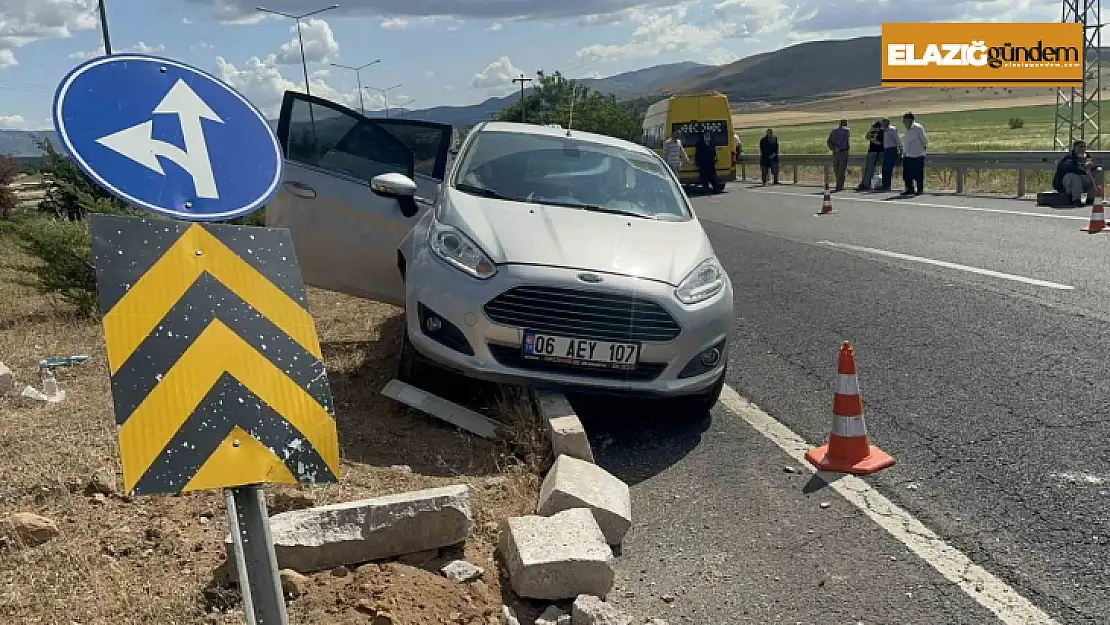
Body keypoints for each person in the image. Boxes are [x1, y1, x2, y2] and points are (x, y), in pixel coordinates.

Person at [1053, 139, 1096, 207]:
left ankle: (1091, 198)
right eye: (1080, 147)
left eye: (1084, 147)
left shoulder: (1087, 157)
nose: (1083, 149)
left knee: (1098, 172)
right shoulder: (1069, 158)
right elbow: (1071, 169)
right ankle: (1076, 200)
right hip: (1067, 183)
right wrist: (1083, 168)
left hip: (1081, 181)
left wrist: (1092, 166)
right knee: (1075, 176)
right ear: (1075, 148)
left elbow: (1092, 168)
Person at [900, 112, 928, 196]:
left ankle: (919, 190)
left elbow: (924, 141)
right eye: (904, 121)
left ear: (911, 120)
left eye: (906, 121)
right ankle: (909, 189)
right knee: (907, 174)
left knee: (918, 174)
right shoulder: (907, 130)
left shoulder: (918, 128)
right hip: (908, 155)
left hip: (918, 155)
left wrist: (922, 149)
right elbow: (906, 142)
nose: (905, 123)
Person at [858, 121, 884, 191]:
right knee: (866, 168)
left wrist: (872, 140)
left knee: (870, 169)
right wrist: (870, 130)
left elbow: (879, 143)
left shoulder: (882, 132)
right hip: (870, 151)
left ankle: (867, 184)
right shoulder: (873, 131)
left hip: (876, 152)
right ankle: (863, 183)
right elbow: (867, 136)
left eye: (875, 127)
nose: (874, 129)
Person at [826, 119, 850, 191]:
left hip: (835, 152)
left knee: (836, 169)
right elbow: (847, 141)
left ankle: (838, 184)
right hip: (843, 152)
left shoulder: (833, 131)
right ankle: (839, 186)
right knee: (841, 169)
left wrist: (833, 148)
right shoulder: (847, 131)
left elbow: (829, 141)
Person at [880, 118, 901, 191]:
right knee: (884, 168)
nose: (882, 124)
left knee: (888, 168)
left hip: (892, 149)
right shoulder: (884, 130)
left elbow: (897, 139)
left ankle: (887, 185)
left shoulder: (892, 129)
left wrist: (900, 149)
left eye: (883, 123)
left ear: (887, 123)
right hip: (886, 150)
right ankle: (884, 184)